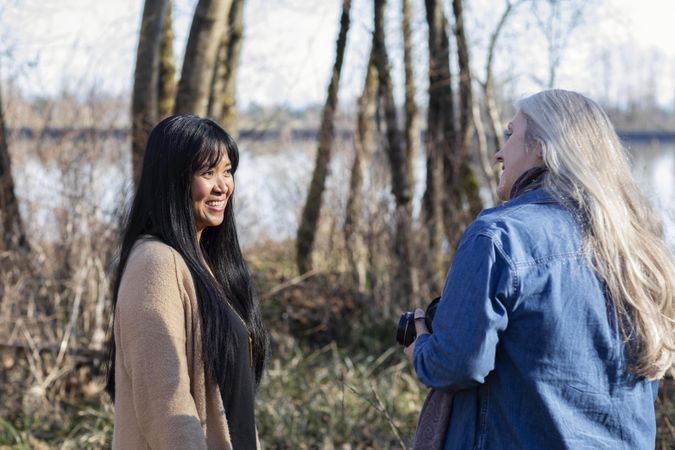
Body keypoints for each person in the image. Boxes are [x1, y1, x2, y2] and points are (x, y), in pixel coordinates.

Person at [405, 89, 675, 449]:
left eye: (510, 134)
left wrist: (420, 345)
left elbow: (455, 365)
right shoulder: (639, 248)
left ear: (541, 147)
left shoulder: (500, 237)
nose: (499, 153)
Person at [105, 114, 268, 449]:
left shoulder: (204, 264)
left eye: (227, 171)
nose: (223, 186)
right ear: (173, 179)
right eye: (207, 173)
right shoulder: (155, 263)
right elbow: (166, 403)